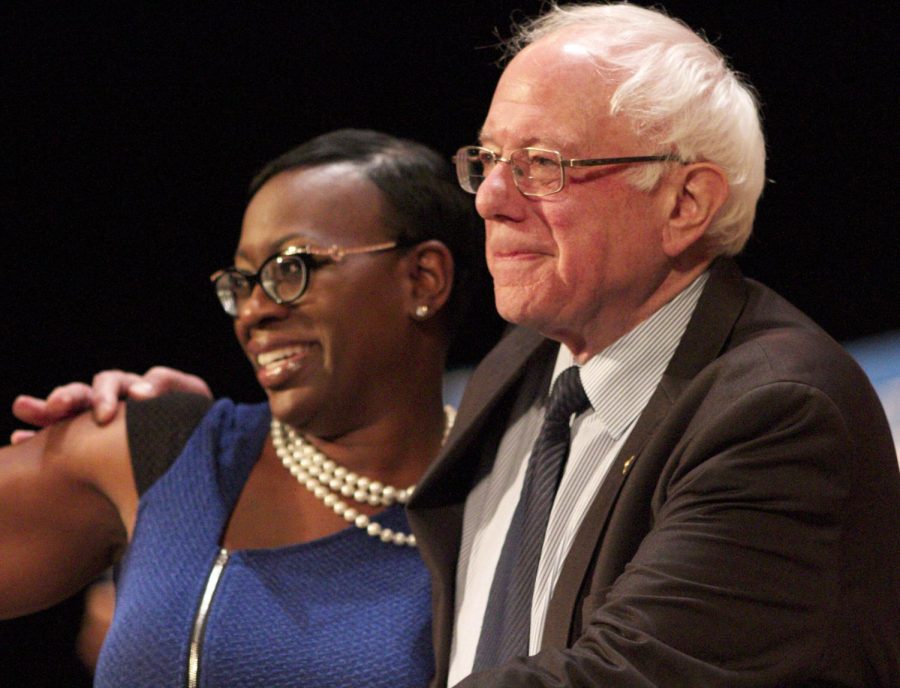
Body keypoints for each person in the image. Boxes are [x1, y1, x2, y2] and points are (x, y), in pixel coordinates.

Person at [15, 3, 900, 687]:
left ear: (686, 203)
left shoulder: (777, 413)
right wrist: (201, 449)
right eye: (488, 162)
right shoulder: (530, 371)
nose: (490, 199)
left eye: (545, 167)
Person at [1, 127, 492, 687]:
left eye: (291, 268)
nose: (254, 311)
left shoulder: (503, 507)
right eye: (244, 281)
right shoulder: (166, 452)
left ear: (423, 279)